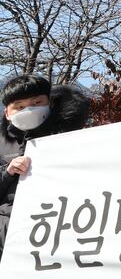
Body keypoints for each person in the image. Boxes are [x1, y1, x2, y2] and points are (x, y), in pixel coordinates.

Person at [0, 74, 89, 259]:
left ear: (49, 103)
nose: (29, 110)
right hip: (4, 236)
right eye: (20, 107)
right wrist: (8, 172)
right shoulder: (2, 143)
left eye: (36, 103)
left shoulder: (69, 137)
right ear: (7, 113)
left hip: (51, 232)